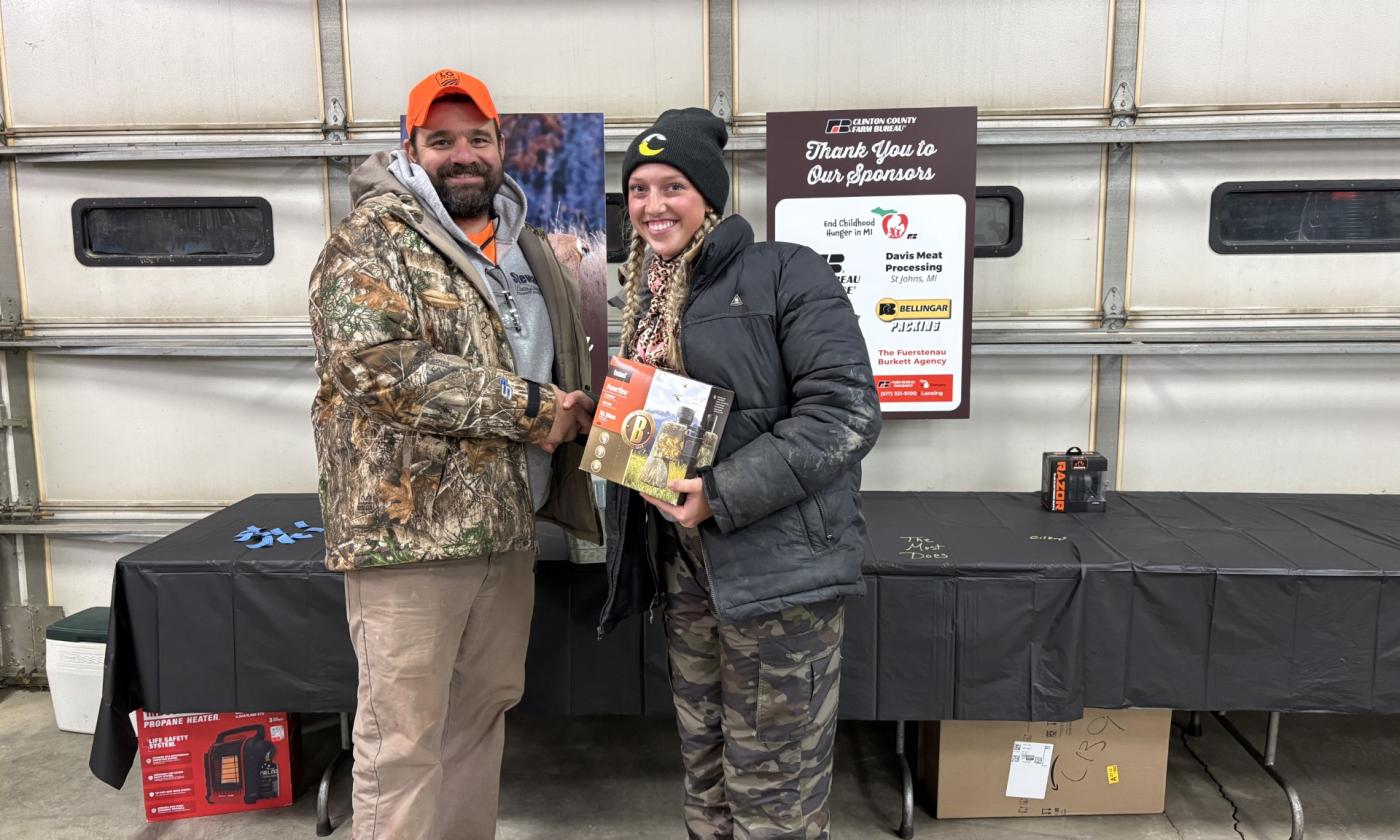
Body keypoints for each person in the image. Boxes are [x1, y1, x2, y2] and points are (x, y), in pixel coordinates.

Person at [307, 68, 599, 840]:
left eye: (478, 138)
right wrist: (536, 410)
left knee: (480, 721)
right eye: (441, 140)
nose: (462, 154)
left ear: (502, 146)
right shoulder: (369, 242)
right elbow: (379, 368)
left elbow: (561, 359)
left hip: (506, 531)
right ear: (409, 149)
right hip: (410, 543)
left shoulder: (526, 247)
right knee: (401, 740)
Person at [599, 108, 882, 839]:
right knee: (707, 770)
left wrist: (719, 495)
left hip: (775, 575)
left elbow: (844, 415)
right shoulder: (647, 293)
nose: (652, 205)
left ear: (710, 196)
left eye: (672, 186)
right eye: (637, 188)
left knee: (774, 785)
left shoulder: (786, 272)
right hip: (686, 573)